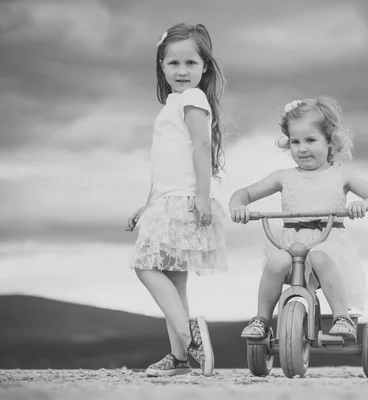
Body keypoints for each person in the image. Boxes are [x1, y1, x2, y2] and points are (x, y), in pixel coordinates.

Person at [229, 97, 368, 342]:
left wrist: (364, 204)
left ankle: (341, 317)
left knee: (320, 255)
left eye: (310, 140)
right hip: (290, 242)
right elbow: (245, 193)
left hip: (328, 242)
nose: (302, 148)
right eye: (295, 142)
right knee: (275, 262)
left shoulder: (341, 175)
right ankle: (262, 319)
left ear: (330, 140)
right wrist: (238, 205)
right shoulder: (283, 177)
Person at [125, 23, 228, 377]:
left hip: (185, 201)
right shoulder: (173, 103)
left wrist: (202, 196)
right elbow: (166, 164)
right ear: (162, 67)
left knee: (144, 265)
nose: (182, 71)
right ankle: (181, 356)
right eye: (173, 64)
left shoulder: (193, 98)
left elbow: (201, 147)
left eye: (190, 63)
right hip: (167, 201)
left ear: (205, 68)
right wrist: (147, 204)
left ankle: (189, 336)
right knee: (175, 279)